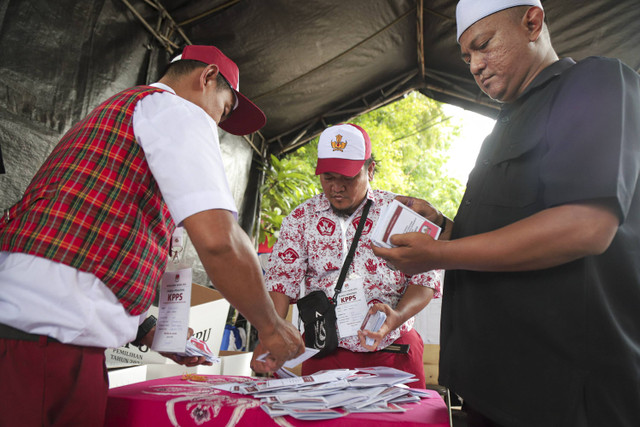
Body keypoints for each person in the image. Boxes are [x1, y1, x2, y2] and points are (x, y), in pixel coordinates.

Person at [0, 45, 304, 426]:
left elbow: (93, 235)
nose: (218, 127)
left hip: (30, 336)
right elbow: (219, 239)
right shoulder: (177, 110)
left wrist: (149, 329)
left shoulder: (122, 110)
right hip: (50, 347)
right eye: (222, 110)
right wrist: (271, 326)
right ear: (207, 78)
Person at [372, 0, 640, 425]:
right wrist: (443, 229)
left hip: (562, 397)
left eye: (483, 45)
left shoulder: (595, 82)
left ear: (532, 23)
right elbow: (506, 236)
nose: (475, 66)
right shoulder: (502, 128)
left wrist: (439, 255)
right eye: (466, 57)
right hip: (489, 388)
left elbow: (585, 226)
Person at [250, 123, 443, 388]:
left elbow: (425, 280)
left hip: (393, 351)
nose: (337, 188)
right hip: (325, 351)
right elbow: (281, 282)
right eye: (328, 177)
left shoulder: (398, 213)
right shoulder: (300, 218)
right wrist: (269, 333)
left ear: (370, 170)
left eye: (348, 178)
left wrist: (397, 316)